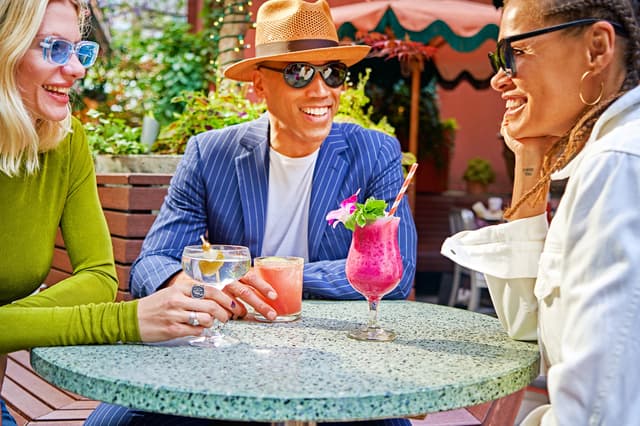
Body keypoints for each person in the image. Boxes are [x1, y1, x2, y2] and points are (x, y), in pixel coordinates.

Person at [86, 0, 417, 424]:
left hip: (337, 355)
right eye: (300, 73)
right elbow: (152, 264)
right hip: (223, 351)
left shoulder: (375, 152)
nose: (321, 91)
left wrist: (268, 281)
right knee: (114, 420)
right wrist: (203, 287)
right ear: (259, 86)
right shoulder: (211, 153)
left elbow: (396, 269)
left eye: (333, 72)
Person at [0, 2, 275, 424]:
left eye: (79, 50)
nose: (76, 69)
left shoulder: (64, 140)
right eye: (54, 49)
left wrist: (11, 322)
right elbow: (120, 293)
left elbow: (99, 276)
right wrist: (126, 320)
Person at [442, 0, 640, 424]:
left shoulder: (619, 165)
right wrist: (529, 157)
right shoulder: (609, 160)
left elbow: (597, 412)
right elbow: (526, 327)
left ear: (597, 48)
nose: (498, 78)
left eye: (514, 53)